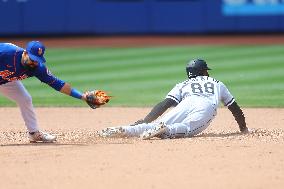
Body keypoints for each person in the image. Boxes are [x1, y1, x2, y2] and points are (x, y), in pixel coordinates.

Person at [99, 58, 249, 140]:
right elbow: (234, 107)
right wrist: (243, 128)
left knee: (155, 124)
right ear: (203, 71)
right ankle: (166, 130)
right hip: (206, 105)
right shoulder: (217, 83)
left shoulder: (183, 84)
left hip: (186, 102)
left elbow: (165, 104)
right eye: (206, 70)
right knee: (188, 129)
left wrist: (146, 119)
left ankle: (126, 129)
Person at [0, 41, 103, 143]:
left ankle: (34, 133)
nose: (34, 63)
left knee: (25, 99)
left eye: (37, 60)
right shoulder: (7, 52)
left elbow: (58, 84)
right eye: (33, 59)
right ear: (25, 53)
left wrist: (82, 96)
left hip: (7, 81)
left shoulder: (37, 68)